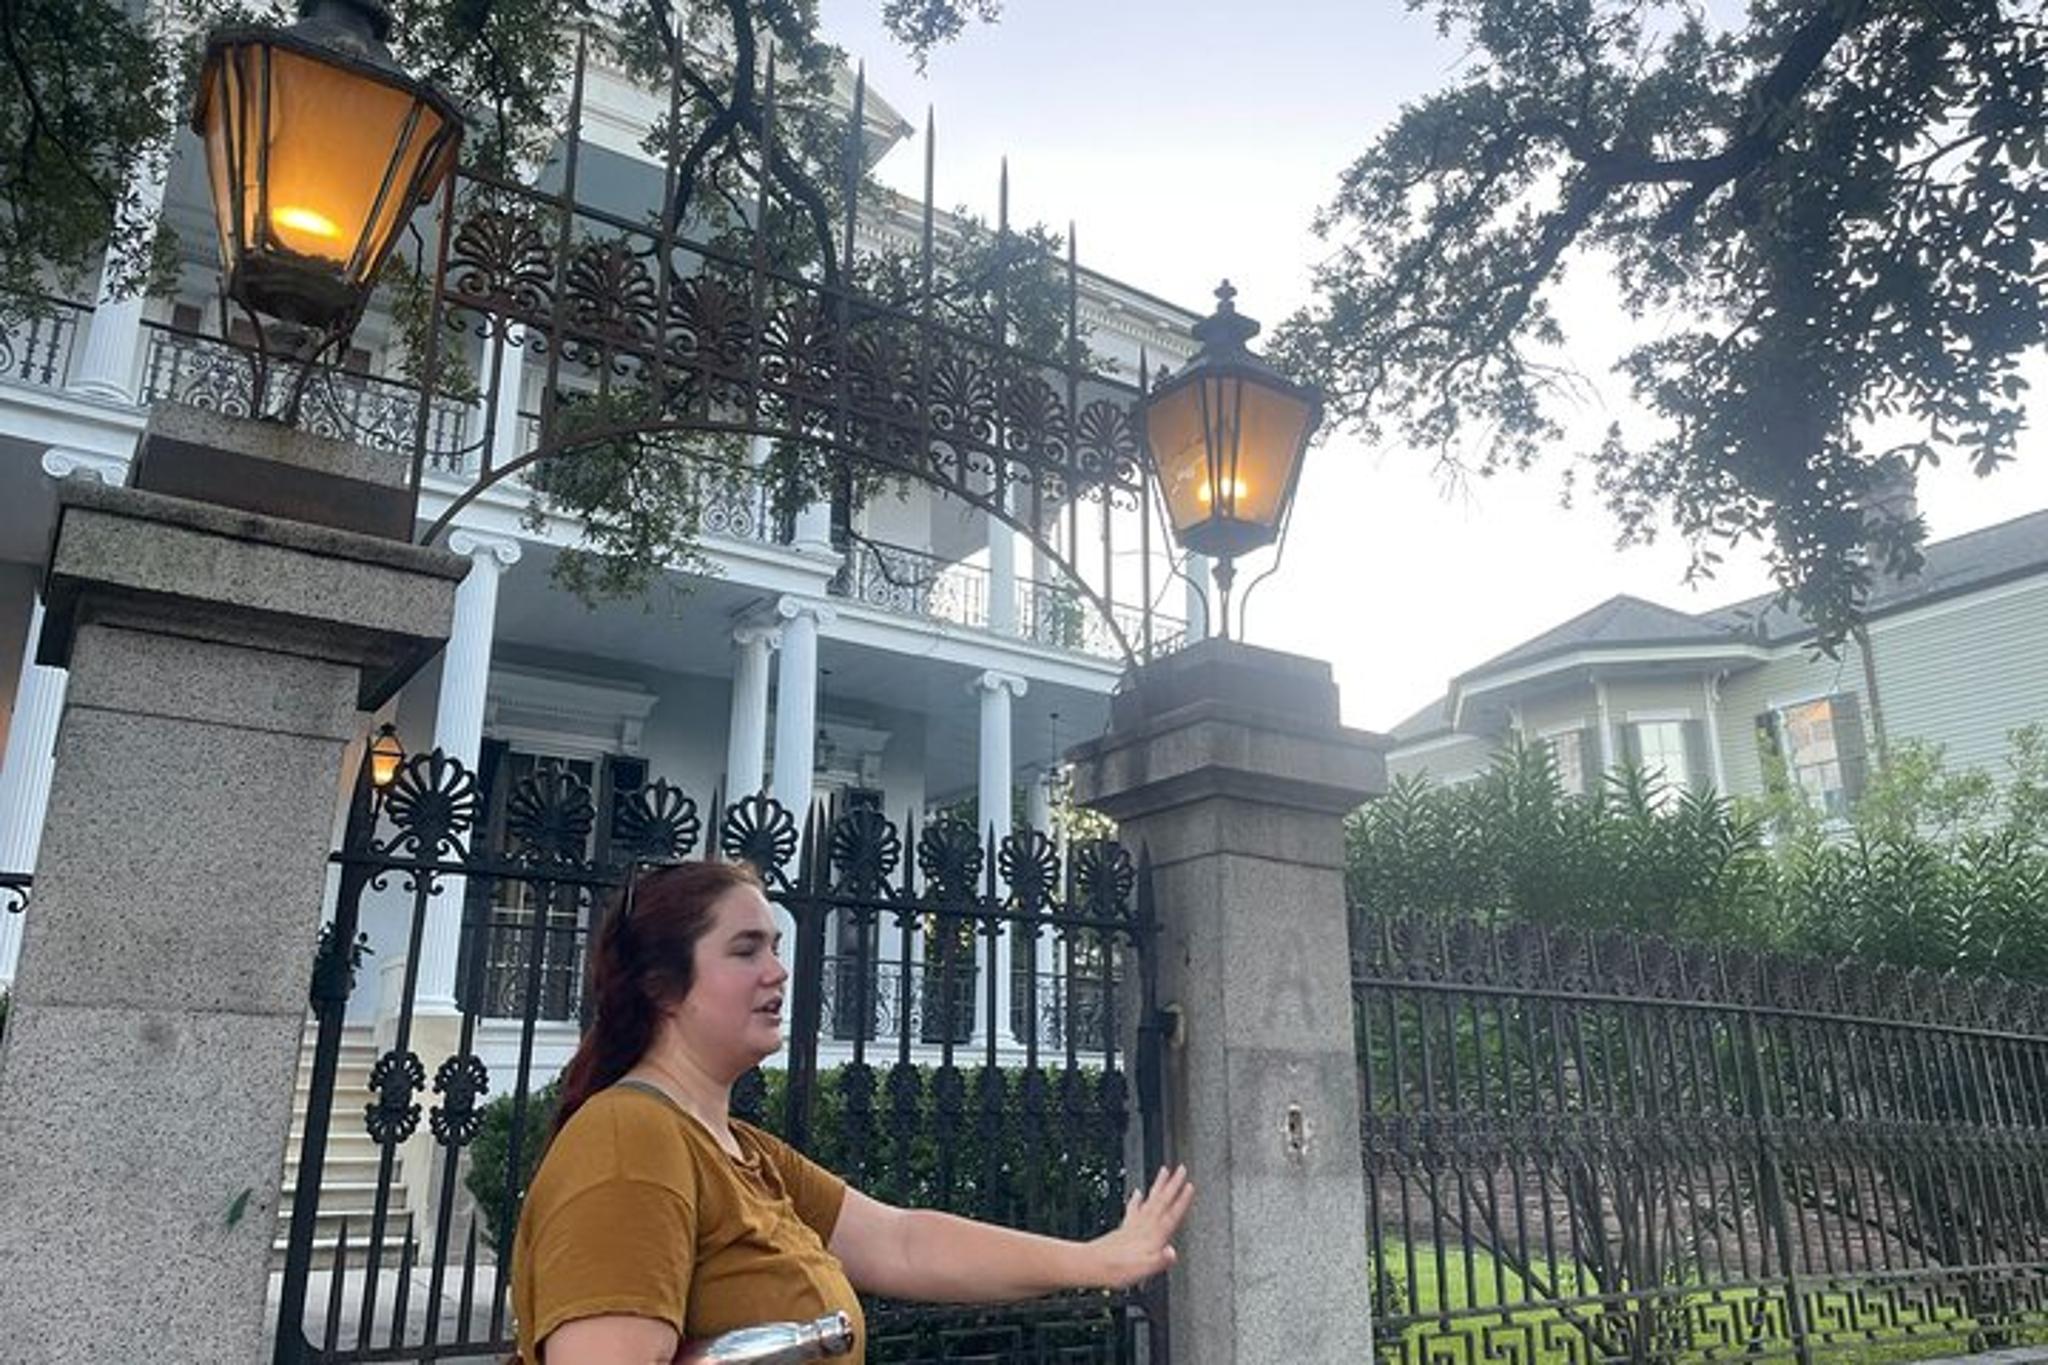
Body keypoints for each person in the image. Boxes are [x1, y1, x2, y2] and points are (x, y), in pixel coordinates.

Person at [511, 859, 1194, 1364]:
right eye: (746, 948)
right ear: (662, 986)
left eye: (775, 946)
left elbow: (903, 1241)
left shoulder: (743, 1150)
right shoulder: (629, 1137)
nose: (778, 970)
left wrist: (1097, 1259)